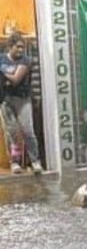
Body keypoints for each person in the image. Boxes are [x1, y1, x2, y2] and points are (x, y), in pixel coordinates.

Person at [0, 33, 41, 174]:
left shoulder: (26, 60)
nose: (21, 50)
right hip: (5, 100)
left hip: (23, 100)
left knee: (28, 130)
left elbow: (16, 79)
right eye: (18, 47)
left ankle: (35, 161)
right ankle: (15, 162)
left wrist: (3, 73)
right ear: (10, 46)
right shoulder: (2, 59)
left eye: (22, 47)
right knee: (11, 132)